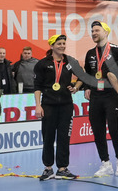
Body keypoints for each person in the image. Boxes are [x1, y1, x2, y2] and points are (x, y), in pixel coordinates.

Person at [82, 22, 118, 176]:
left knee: (115, 129)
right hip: (96, 96)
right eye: (92, 31)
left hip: (112, 95)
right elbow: (88, 73)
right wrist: (87, 87)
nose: (94, 33)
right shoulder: (90, 53)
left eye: (97, 30)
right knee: (97, 130)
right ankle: (105, 163)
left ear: (106, 32)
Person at [34, 34, 83, 181]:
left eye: (63, 43)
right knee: (48, 137)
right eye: (59, 44)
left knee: (64, 137)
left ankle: (62, 169)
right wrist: (38, 105)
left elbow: (82, 77)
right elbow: (37, 87)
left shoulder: (70, 62)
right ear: (51, 46)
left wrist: (76, 87)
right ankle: (48, 169)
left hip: (66, 106)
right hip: (48, 105)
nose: (62, 46)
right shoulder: (42, 64)